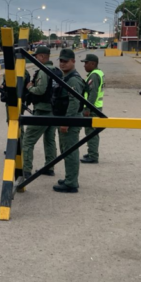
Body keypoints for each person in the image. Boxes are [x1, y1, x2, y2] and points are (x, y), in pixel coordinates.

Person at [22, 46, 61, 178]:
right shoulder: (56, 71)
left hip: (43, 111)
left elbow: (40, 90)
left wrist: (30, 87)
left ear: (43, 57)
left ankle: (26, 170)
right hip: (54, 110)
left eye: (36, 56)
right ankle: (49, 167)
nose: (35, 59)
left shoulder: (44, 71)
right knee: (50, 140)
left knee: (28, 140)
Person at [51, 49, 85, 193]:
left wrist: (67, 122)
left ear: (73, 61)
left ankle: (71, 183)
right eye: (61, 61)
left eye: (66, 61)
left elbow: (74, 102)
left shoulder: (73, 80)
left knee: (70, 151)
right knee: (65, 150)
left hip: (70, 121)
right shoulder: (67, 77)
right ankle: (69, 178)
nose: (63, 64)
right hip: (66, 119)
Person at [80, 54, 104, 164]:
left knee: (91, 132)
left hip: (93, 108)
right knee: (92, 131)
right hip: (96, 107)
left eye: (86, 63)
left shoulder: (94, 75)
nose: (84, 65)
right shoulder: (97, 73)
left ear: (93, 64)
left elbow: (93, 94)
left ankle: (93, 155)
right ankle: (91, 152)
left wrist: (87, 109)